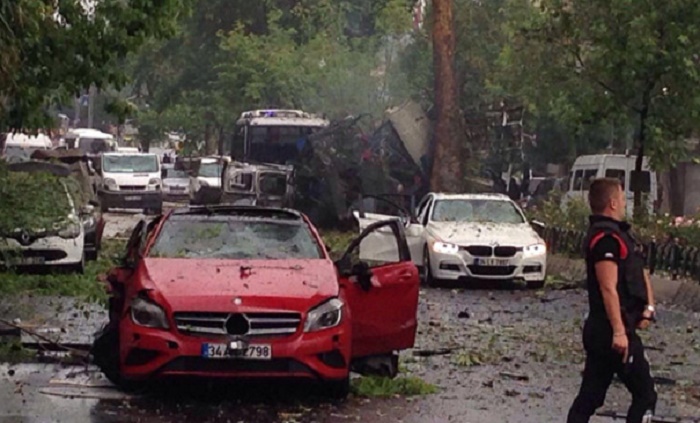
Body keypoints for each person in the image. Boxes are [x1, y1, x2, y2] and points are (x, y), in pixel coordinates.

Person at [567, 178, 657, 423]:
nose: (625, 203)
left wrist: (647, 308)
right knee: (645, 394)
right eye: (622, 198)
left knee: (591, 397)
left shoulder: (622, 235)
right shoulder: (605, 239)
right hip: (611, 332)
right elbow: (608, 287)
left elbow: (640, 270)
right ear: (612, 202)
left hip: (611, 329)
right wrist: (619, 332)